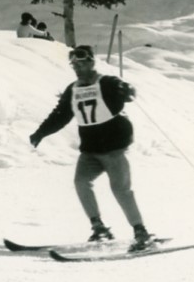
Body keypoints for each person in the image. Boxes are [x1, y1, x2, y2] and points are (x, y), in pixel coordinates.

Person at [28, 44, 156, 250]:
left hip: (113, 148)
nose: (76, 67)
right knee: (81, 182)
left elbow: (127, 94)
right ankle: (99, 228)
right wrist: (40, 133)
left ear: (91, 62)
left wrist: (128, 91)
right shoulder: (74, 89)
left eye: (80, 63)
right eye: (73, 64)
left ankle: (141, 232)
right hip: (90, 150)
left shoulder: (107, 83)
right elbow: (60, 115)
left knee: (120, 190)